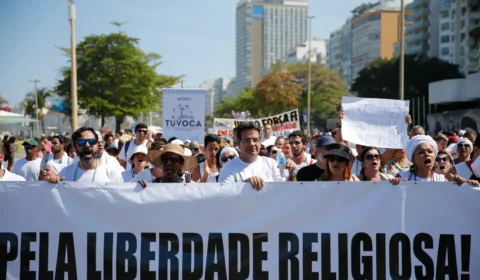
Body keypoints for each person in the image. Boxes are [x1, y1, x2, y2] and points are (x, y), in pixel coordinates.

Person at [218, 122, 285, 189]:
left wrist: (291, 175)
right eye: (247, 140)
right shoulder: (228, 168)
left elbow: (282, 189)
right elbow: (225, 194)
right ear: (238, 143)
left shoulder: (271, 164)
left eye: (255, 140)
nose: (252, 144)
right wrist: (244, 185)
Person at [46, 127, 123, 183]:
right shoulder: (65, 173)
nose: (87, 145)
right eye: (82, 142)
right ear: (75, 147)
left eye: (91, 141)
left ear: (97, 145)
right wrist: (51, 183)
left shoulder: (111, 173)